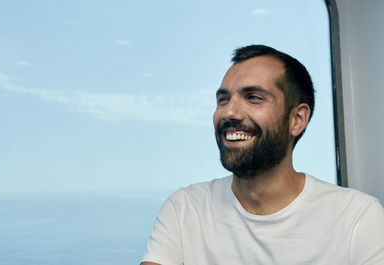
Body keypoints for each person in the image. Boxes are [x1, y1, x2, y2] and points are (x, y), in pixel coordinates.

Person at [140, 45, 384, 265]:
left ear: (297, 119)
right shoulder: (185, 209)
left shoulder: (358, 219)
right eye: (223, 99)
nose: (229, 112)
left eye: (253, 98)